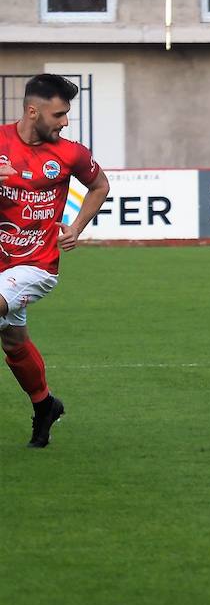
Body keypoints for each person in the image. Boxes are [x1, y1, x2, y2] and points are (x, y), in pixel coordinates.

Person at [0, 74, 110, 447]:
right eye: (59, 114)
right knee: (14, 343)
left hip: (36, 266)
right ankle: (45, 405)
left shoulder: (70, 153)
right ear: (33, 111)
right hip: (1, 263)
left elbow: (100, 185)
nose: (65, 122)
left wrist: (76, 226)